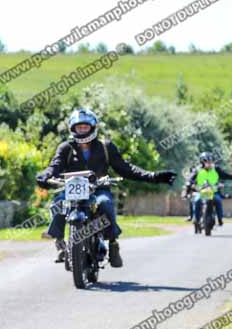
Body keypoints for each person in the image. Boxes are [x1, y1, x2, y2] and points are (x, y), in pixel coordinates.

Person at [36, 108, 176, 268]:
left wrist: (153, 176)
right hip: (72, 189)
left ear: (93, 127)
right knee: (59, 204)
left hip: (98, 188)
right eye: (78, 127)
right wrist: (45, 175)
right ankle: (60, 243)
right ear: (72, 129)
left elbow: (126, 168)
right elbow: (54, 166)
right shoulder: (66, 148)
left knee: (105, 204)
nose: (82, 130)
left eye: (85, 127)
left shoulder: (105, 147)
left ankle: (113, 243)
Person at [187, 152, 232, 226]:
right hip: (200, 192)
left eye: (211, 161)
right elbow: (191, 178)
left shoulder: (216, 169)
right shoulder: (197, 170)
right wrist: (190, 183)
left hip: (214, 192)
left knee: (218, 200)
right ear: (202, 162)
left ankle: (220, 219)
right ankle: (196, 219)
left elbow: (225, 175)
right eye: (207, 162)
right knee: (197, 200)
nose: (209, 163)